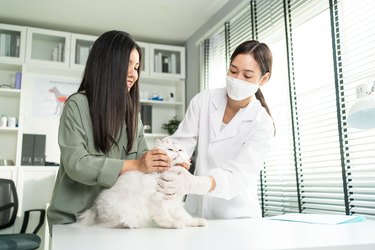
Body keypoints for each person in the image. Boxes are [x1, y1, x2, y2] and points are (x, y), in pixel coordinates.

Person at [47, 30, 171, 232]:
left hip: (115, 218)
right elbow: (77, 164)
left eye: (137, 67)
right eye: (127, 65)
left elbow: (142, 164)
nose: (134, 74)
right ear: (106, 65)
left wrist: (165, 163)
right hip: (73, 221)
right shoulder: (77, 105)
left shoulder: (132, 115)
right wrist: (136, 164)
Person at [158, 40, 274, 219]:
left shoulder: (262, 123)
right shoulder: (204, 100)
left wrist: (195, 184)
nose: (237, 79)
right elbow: (182, 143)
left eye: (247, 75)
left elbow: (238, 175)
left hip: (236, 217)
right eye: (233, 71)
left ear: (263, 79)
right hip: (195, 211)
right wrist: (170, 158)